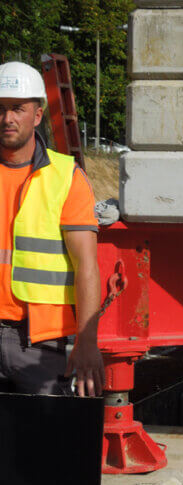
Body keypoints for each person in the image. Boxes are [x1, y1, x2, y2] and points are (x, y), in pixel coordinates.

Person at [0, 61, 103, 397]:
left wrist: (87, 342)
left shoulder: (65, 177)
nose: (7, 119)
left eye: (17, 108)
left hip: (38, 341)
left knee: (45, 442)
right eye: (0, 109)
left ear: (38, 115)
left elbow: (86, 265)